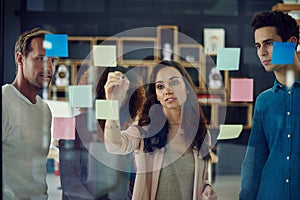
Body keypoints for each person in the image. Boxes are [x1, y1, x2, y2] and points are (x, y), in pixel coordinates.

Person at [104, 60, 217, 200]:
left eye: (174, 82)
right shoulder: (145, 130)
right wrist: (113, 103)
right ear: (157, 95)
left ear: (187, 88)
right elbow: (114, 146)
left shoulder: (200, 133)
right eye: (160, 86)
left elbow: (204, 176)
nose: (167, 90)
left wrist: (207, 188)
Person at [59, 66, 145, 199]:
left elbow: (133, 180)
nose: (117, 97)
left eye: (123, 92)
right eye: (113, 90)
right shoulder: (71, 125)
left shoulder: (124, 130)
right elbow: (70, 183)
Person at [240, 10, 300, 199]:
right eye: (258, 45)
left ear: (291, 43)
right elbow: (254, 161)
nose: (261, 52)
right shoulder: (263, 102)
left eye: (269, 43)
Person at [2, 27, 57, 199]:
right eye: (41, 58)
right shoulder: (4, 102)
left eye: (53, 60)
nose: (48, 67)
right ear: (20, 58)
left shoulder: (44, 110)